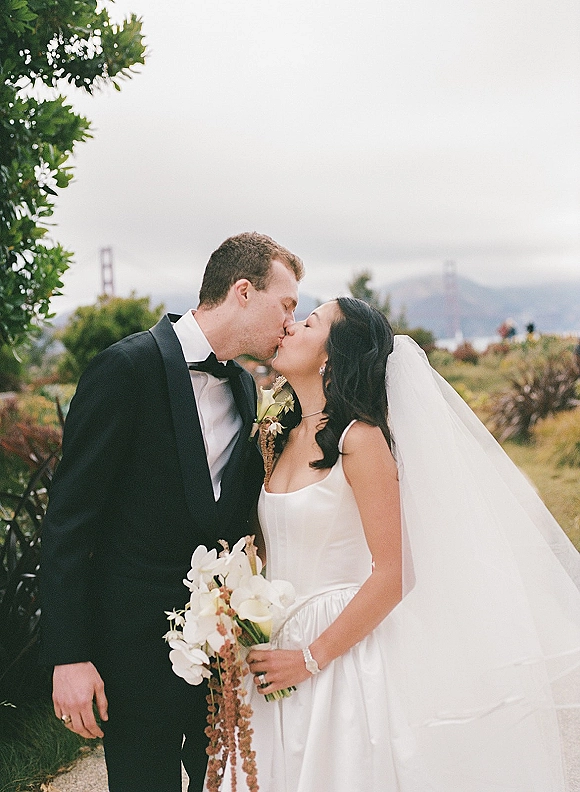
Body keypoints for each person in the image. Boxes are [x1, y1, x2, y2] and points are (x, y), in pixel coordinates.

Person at [237, 297, 580, 791]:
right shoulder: (281, 433)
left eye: (308, 322)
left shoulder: (361, 440)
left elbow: (394, 574)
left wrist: (310, 658)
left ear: (332, 355)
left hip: (335, 651)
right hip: (274, 646)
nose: (289, 327)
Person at [39, 232, 303, 792]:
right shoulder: (123, 369)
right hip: (129, 656)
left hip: (215, 657)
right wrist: (69, 656)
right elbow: (68, 519)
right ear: (242, 292)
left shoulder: (244, 389)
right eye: (286, 305)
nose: (289, 322)